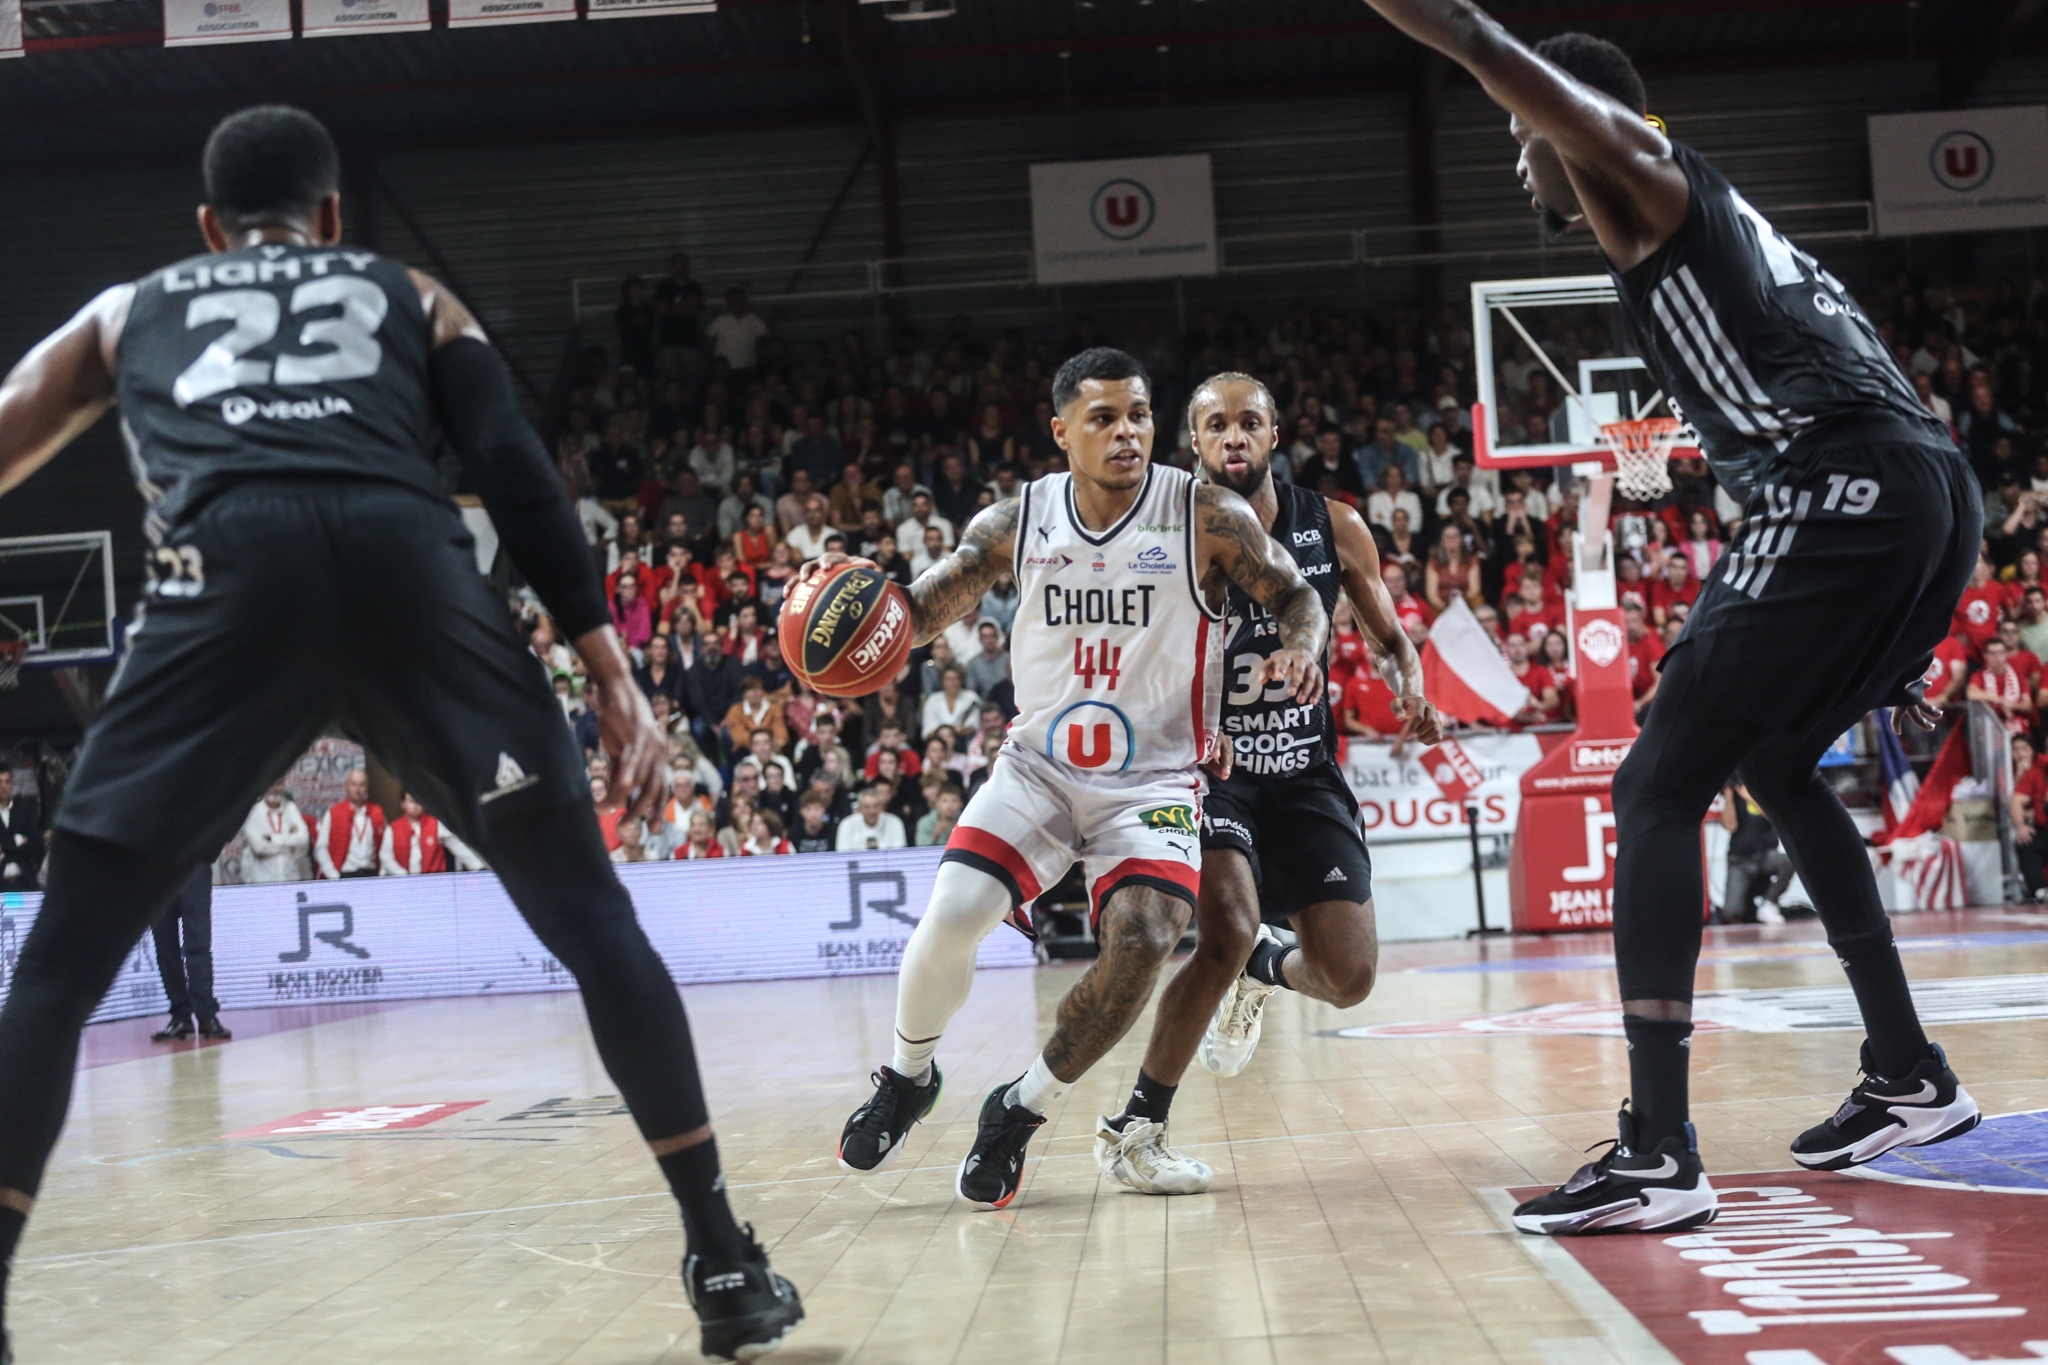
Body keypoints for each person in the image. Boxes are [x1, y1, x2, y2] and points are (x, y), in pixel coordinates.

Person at [0, 107, 799, 1357]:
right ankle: (720, 1257)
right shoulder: (407, 289)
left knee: (53, 975)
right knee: (593, 926)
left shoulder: (127, 308)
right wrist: (608, 668)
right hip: (405, 573)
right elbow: (508, 457)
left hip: (223, 578)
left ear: (208, 230)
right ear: (331, 218)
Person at [1359, 6, 1981, 1235]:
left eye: (1518, 134)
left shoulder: (1649, 174)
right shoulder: (1709, 232)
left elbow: (1485, 43)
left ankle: (1657, 1151)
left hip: (1845, 486)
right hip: (1918, 490)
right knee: (1768, 760)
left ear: (1562, 120)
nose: (1512, 156)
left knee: (1650, 788)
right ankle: (1908, 1074)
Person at [830, 347, 1326, 1212]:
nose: (1127, 431)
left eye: (1137, 414)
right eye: (1103, 418)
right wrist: (847, 622)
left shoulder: (1205, 513)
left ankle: (1021, 1107)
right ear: (1061, 432)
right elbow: (921, 609)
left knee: (1145, 938)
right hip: (1040, 767)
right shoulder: (1015, 522)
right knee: (951, 916)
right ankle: (908, 1076)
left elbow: (1295, 595)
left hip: (1156, 781)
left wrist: (1300, 645)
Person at [1097, 373, 1442, 1194]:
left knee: (1350, 977)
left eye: (1249, 422)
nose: (1234, 438)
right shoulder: (1169, 535)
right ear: (1196, 445)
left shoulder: (1337, 525)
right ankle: (1135, 1127)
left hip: (1306, 771)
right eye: (1216, 426)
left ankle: (1266, 969)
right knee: (1225, 925)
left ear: (1275, 433)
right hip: (1214, 773)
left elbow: (1391, 638)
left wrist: (1411, 690)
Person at [147, 865, 231, 1042]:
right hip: (155, 869)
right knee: (165, 947)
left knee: (198, 944)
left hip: (194, 864)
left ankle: (206, 1015)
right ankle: (180, 1016)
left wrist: (208, 851)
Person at [1719, 783, 1793, 925]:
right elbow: (1730, 825)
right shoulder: (1733, 798)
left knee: (1790, 860)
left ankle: (1769, 903)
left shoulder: (1765, 793)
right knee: (1730, 913)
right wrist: (1729, 795)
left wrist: (1748, 796)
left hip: (1766, 855)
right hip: (1740, 860)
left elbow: (1774, 817)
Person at [379, 792, 484, 875]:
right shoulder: (393, 829)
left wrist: (479, 867)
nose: (415, 805)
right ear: (403, 803)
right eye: (411, 801)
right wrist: (402, 875)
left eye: (418, 801)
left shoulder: (436, 824)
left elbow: (458, 847)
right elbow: (386, 856)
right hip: (405, 883)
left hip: (434, 881)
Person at [316, 768, 384, 879]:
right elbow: (321, 848)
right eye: (353, 784)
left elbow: (384, 848)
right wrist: (333, 876)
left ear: (367, 787)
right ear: (346, 786)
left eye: (362, 785)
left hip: (371, 874)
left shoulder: (377, 812)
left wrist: (382, 875)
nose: (358, 789)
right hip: (344, 874)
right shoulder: (334, 812)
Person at [238, 783, 311, 882]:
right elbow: (259, 847)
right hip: (264, 882)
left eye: (279, 784)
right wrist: (289, 837)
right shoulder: (254, 811)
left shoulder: (290, 808)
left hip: (290, 879)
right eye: (271, 784)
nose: (275, 789)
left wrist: (270, 839)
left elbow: (303, 840)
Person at [0, 769, 44, 893]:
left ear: (12, 784)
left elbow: (37, 846)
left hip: (24, 881)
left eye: (7, 782)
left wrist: (4, 849)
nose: (3, 787)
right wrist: (17, 840)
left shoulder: (25, 810)